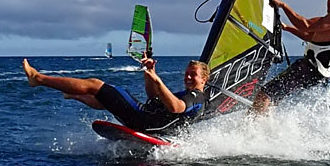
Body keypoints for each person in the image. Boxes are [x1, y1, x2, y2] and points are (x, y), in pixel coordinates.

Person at [23, 55, 209, 134]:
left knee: (95, 85)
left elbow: (176, 108)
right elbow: (153, 98)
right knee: (108, 100)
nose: (188, 77)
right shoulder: (185, 93)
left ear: (204, 79)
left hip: (144, 120)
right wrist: (149, 74)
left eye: (193, 74)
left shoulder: (196, 97)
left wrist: (158, 79)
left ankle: (38, 78)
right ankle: (74, 94)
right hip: (147, 120)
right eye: (186, 74)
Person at [252, 0, 330, 114]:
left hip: (309, 69)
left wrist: (284, 6)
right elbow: (307, 35)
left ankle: (248, 127)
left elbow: (306, 26)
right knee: (273, 98)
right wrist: (286, 27)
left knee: (265, 94)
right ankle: (266, 128)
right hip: (314, 73)